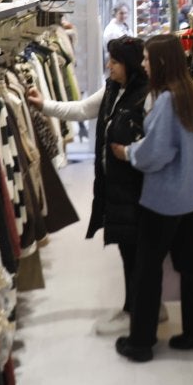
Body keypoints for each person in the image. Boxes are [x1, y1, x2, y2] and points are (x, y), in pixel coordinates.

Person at [26, 36, 159, 334]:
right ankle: (140, 307)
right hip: (115, 184)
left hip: (137, 186)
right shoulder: (113, 89)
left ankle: (140, 311)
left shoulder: (147, 95)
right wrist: (42, 105)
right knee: (129, 249)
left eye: (115, 61)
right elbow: (82, 109)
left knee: (136, 250)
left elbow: (153, 144)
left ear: (131, 64)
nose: (108, 65)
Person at [109, 35, 193, 361]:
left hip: (165, 197)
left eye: (146, 58)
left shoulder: (166, 101)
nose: (143, 64)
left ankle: (140, 343)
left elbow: (153, 153)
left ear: (159, 62)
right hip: (190, 194)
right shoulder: (190, 93)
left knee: (147, 269)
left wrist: (127, 151)